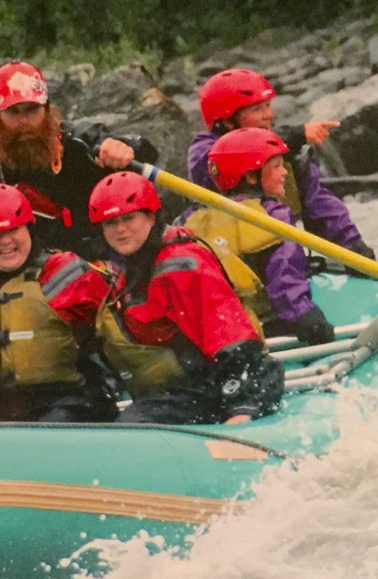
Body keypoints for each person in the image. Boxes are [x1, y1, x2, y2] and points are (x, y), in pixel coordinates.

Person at [89, 171, 284, 424]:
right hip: (180, 389)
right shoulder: (130, 272)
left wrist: (241, 407)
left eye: (129, 218)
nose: (120, 230)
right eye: (110, 223)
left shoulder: (180, 265)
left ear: (151, 216)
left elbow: (227, 333)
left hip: (220, 384)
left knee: (132, 428)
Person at [0, 61, 145, 286]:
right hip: (11, 289)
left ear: (47, 109)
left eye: (32, 110)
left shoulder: (81, 144)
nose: (24, 122)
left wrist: (121, 147)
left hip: (90, 277)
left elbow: (140, 159)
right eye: (13, 112)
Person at [0, 183, 117, 422]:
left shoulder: (64, 272)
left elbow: (119, 335)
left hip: (64, 401)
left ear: (28, 227)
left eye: (13, 230)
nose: (5, 241)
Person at [188, 67, 374, 258]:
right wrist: (295, 134)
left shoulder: (280, 149)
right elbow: (228, 157)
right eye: (257, 109)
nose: (267, 115)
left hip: (278, 257)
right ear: (228, 122)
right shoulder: (203, 150)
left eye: (268, 105)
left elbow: (320, 205)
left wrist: (354, 246)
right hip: (227, 259)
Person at [193, 127, 336, 345]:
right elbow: (283, 276)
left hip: (221, 329)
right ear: (252, 176)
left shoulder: (193, 219)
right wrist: (307, 320)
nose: (285, 173)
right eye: (277, 166)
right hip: (269, 325)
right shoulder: (271, 216)